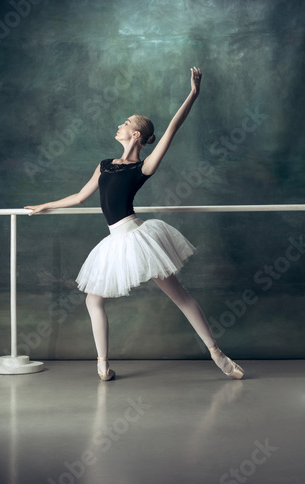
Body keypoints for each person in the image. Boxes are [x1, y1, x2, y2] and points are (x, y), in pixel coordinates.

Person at [25, 66, 244, 382]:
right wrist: (46, 205)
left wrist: (193, 94)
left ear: (137, 134)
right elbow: (78, 196)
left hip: (138, 237)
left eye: (125, 123)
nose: (119, 125)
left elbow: (171, 130)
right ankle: (102, 364)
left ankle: (217, 353)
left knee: (179, 296)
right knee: (93, 299)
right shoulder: (104, 165)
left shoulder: (143, 167)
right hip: (116, 240)